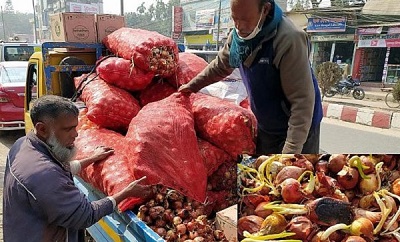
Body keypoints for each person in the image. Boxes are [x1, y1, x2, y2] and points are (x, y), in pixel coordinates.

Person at [179, 0, 323, 154]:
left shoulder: (288, 39)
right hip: (267, 126)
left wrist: (290, 151)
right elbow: (220, 66)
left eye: (245, 20)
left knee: (292, 172)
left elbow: (302, 102)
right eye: (235, 19)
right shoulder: (238, 37)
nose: (239, 26)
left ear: (265, 10)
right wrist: (191, 86)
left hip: (298, 128)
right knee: (260, 172)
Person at [3, 95, 152, 242]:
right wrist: (125, 193)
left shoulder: (23, 145)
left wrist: (91, 159)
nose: (76, 134)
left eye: (75, 127)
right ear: (42, 129)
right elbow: (85, 216)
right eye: (68, 129)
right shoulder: (44, 174)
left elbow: (59, 169)